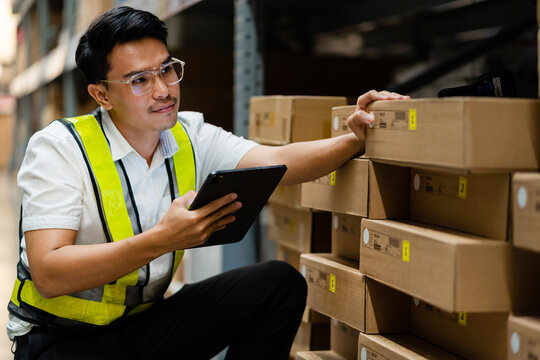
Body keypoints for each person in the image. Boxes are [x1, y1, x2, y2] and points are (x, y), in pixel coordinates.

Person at [7, 6, 409, 360]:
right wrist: (162, 240)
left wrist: (354, 137)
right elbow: (49, 272)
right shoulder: (59, 149)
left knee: (276, 284)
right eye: (139, 81)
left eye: (166, 69)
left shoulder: (189, 134)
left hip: (143, 324)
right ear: (102, 95)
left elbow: (276, 161)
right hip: (61, 340)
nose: (164, 90)